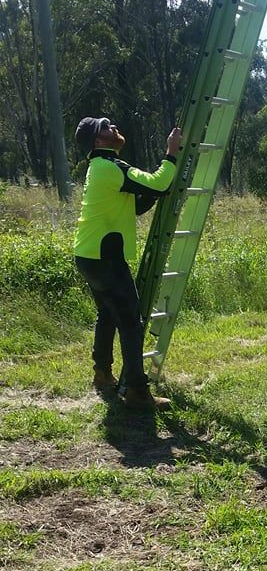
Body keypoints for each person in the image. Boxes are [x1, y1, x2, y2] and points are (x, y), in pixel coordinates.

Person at [73, 116, 182, 410]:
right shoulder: (110, 166)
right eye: (107, 128)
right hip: (105, 256)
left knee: (108, 313)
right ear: (99, 142)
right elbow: (157, 183)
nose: (115, 128)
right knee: (131, 322)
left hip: (89, 254)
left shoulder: (99, 168)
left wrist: (156, 191)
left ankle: (102, 373)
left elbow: (135, 204)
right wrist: (171, 153)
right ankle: (136, 391)